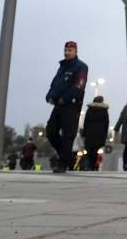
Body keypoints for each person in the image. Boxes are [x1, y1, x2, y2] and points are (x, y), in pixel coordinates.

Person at [44, 40, 89, 174]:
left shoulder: (81, 67)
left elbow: (79, 86)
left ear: (75, 51)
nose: (67, 53)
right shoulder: (62, 67)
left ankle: (63, 163)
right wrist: (49, 96)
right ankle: (68, 156)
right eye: (65, 50)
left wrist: (65, 98)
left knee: (68, 136)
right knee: (51, 131)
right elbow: (55, 84)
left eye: (70, 50)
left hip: (71, 105)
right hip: (58, 105)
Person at [81, 95, 110, 171]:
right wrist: (105, 134)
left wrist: (84, 133)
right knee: (95, 151)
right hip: (99, 134)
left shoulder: (90, 109)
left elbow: (86, 122)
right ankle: (92, 166)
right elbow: (106, 123)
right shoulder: (104, 110)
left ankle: (88, 165)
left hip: (90, 133)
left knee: (88, 150)